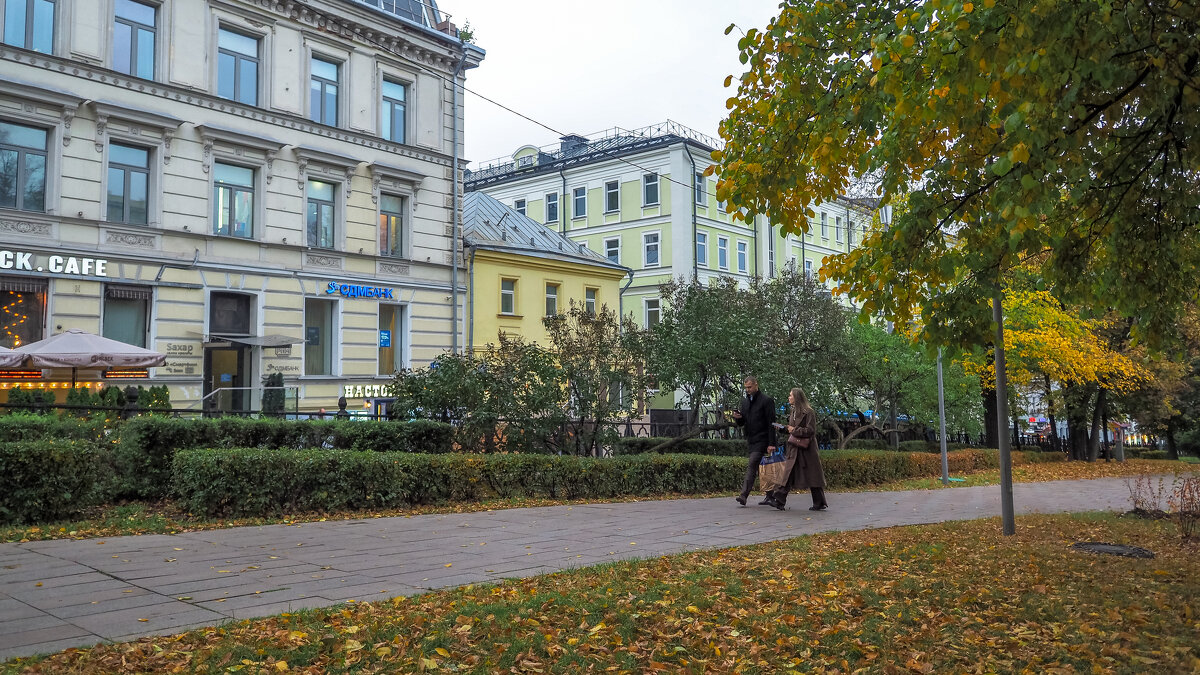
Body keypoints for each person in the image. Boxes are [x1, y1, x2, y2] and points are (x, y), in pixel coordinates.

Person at [769, 387, 828, 511]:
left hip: (807, 449)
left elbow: (811, 430)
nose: (789, 397)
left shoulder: (809, 412)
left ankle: (819, 502)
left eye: (790, 395)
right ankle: (779, 500)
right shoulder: (793, 411)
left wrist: (794, 430)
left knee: (813, 475)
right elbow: (791, 428)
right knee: (788, 473)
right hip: (794, 448)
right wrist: (783, 428)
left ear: (797, 397)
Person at [731, 375, 777, 506]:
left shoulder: (766, 401)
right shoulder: (745, 402)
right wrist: (738, 418)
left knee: (752, 465)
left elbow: (771, 423)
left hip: (763, 439)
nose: (747, 390)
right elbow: (743, 423)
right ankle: (770, 496)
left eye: (750, 387)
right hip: (751, 439)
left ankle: (743, 495)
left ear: (756, 385)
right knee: (763, 468)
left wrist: (771, 443)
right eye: (746, 388)